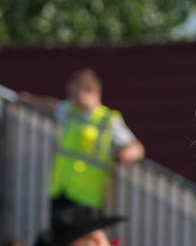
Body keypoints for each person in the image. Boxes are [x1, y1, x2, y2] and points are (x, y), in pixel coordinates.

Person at [46, 69, 143, 228]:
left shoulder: (108, 120)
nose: (73, 99)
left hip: (86, 197)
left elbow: (136, 147)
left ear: (92, 90)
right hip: (60, 190)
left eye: (76, 94)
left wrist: (128, 153)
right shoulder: (72, 112)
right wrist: (25, 99)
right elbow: (52, 106)